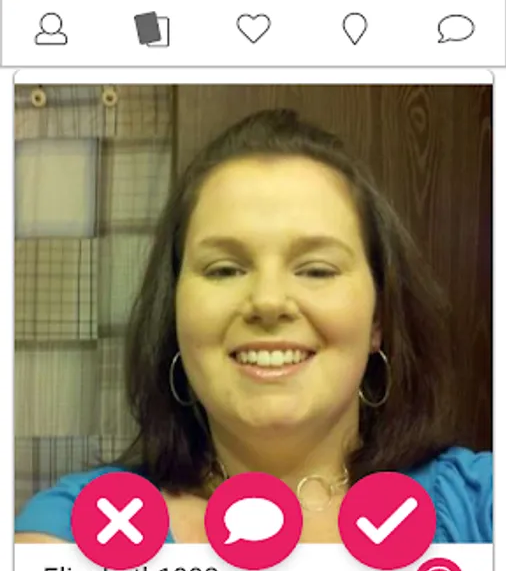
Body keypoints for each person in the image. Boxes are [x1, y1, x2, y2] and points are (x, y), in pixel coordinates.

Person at [15, 108, 492, 545]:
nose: (268, 302)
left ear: (378, 320)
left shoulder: (481, 507)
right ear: (175, 312)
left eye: (316, 270)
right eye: (225, 270)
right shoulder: (75, 532)